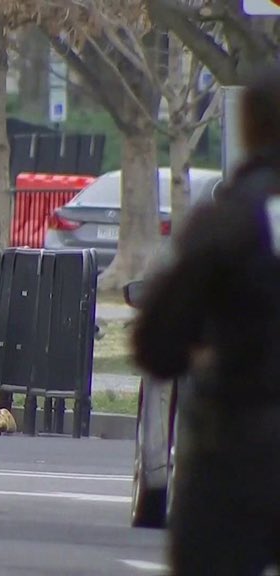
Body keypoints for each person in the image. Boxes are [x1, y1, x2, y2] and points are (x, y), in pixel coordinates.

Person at [131, 64, 280, 575]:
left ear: (250, 129)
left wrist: (203, 352)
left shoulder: (224, 223)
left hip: (236, 449)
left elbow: (156, 342)